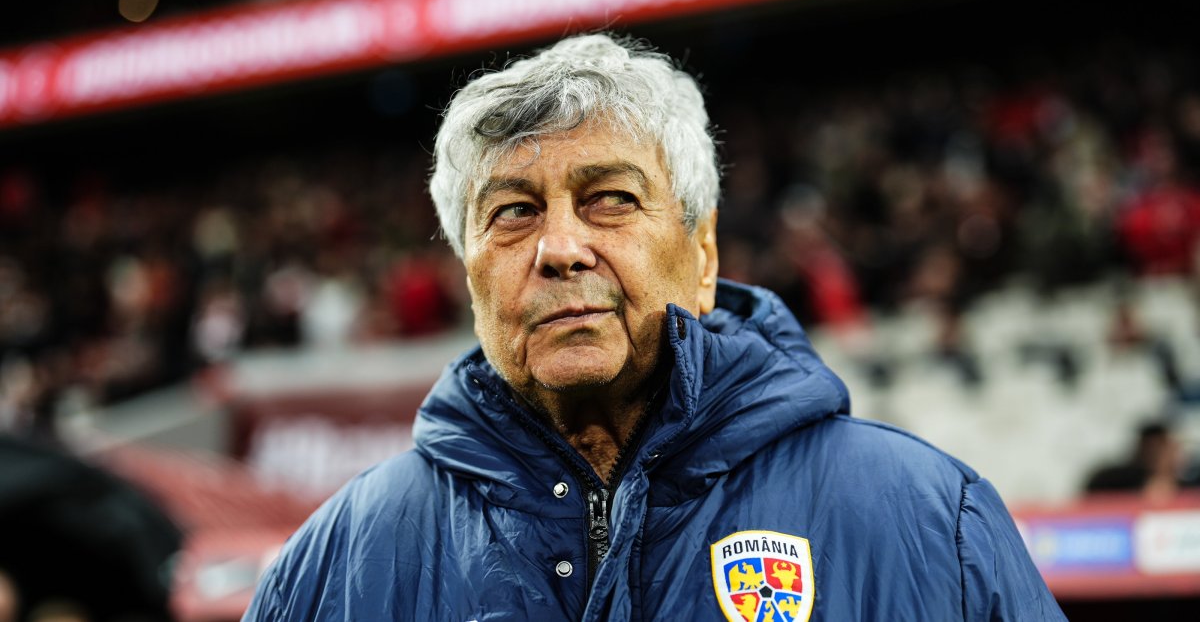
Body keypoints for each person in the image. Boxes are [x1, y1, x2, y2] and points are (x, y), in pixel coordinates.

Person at [244, 34, 1064, 621]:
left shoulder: (932, 520)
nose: (561, 247)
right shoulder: (331, 567)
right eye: (513, 212)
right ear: (470, 277)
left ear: (702, 253)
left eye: (610, 198)